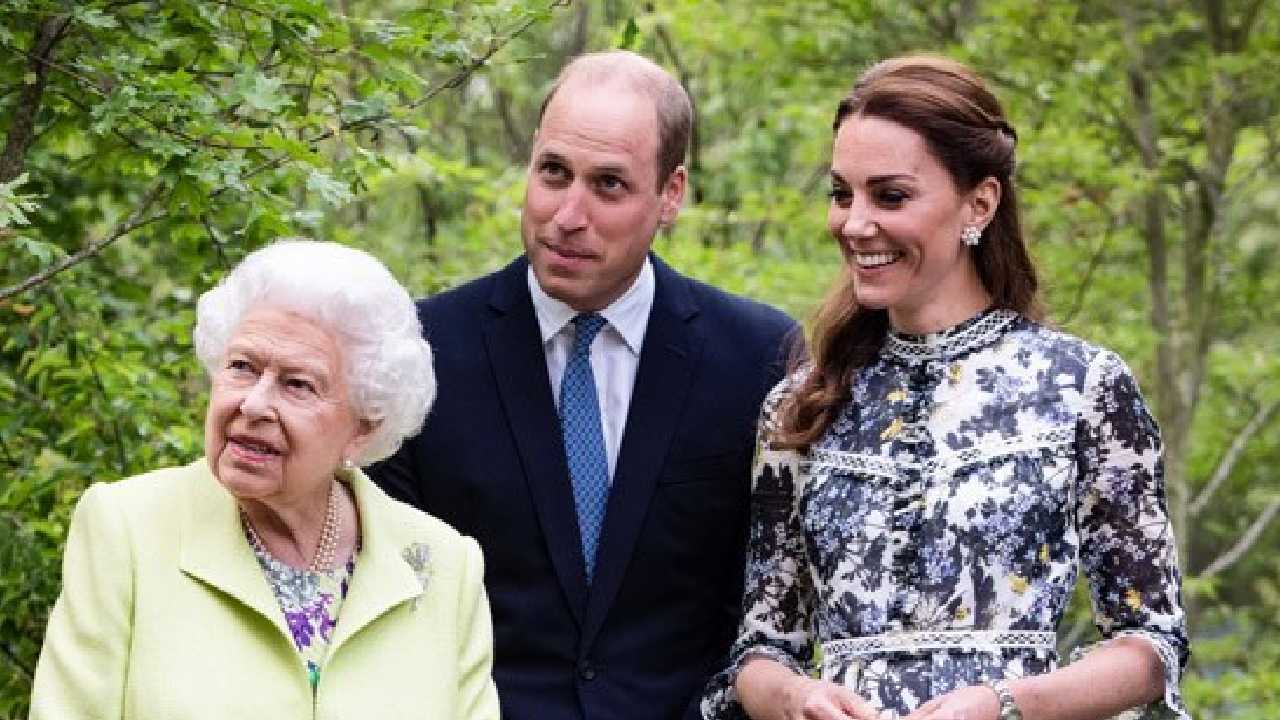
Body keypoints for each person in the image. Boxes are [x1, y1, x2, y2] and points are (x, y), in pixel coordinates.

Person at [702, 56, 1189, 720]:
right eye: (842, 193)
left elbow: (1150, 645)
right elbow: (760, 648)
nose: (854, 222)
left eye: (890, 196)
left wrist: (1005, 703)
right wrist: (797, 696)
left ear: (978, 203)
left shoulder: (1083, 388)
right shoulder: (801, 405)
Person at [369, 50, 797, 720]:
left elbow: (770, 608)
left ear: (671, 194)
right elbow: (389, 603)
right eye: (553, 173)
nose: (568, 215)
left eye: (608, 186)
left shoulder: (759, 356)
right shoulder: (419, 350)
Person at [31, 240, 498, 720]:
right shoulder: (126, 529)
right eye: (241, 367)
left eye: (297, 384)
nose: (253, 404)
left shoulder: (446, 567)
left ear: (364, 426)